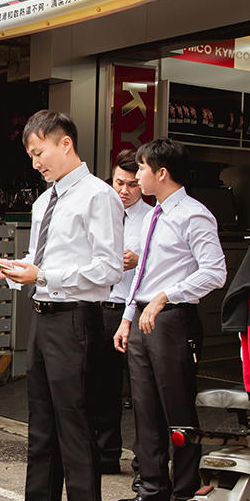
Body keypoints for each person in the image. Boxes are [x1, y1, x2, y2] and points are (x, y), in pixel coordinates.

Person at [0, 110, 123, 501]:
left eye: (38, 152)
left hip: (78, 322)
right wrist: (13, 269)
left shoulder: (99, 196)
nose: (35, 163)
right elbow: (39, 261)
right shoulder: (47, 201)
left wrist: (42, 274)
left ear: (65, 144)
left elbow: (107, 269)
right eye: (30, 155)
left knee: (75, 429)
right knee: (41, 425)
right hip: (43, 319)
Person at [113, 139, 226, 501]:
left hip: (174, 319)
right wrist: (128, 316)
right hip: (144, 317)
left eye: (142, 169)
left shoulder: (194, 215)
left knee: (177, 411)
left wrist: (166, 297)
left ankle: (184, 494)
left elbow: (215, 271)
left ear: (161, 173)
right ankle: (152, 487)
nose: (136, 175)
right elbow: (142, 272)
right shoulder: (153, 215)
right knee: (145, 409)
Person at [95, 149, 152, 479]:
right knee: (103, 385)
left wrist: (139, 258)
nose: (125, 190)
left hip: (136, 309)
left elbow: (162, 264)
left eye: (132, 184)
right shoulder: (101, 212)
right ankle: (106, 454)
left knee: (143, 391)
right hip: (103, 308)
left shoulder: (151, 218)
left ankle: (146, 465)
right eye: (119, 182)